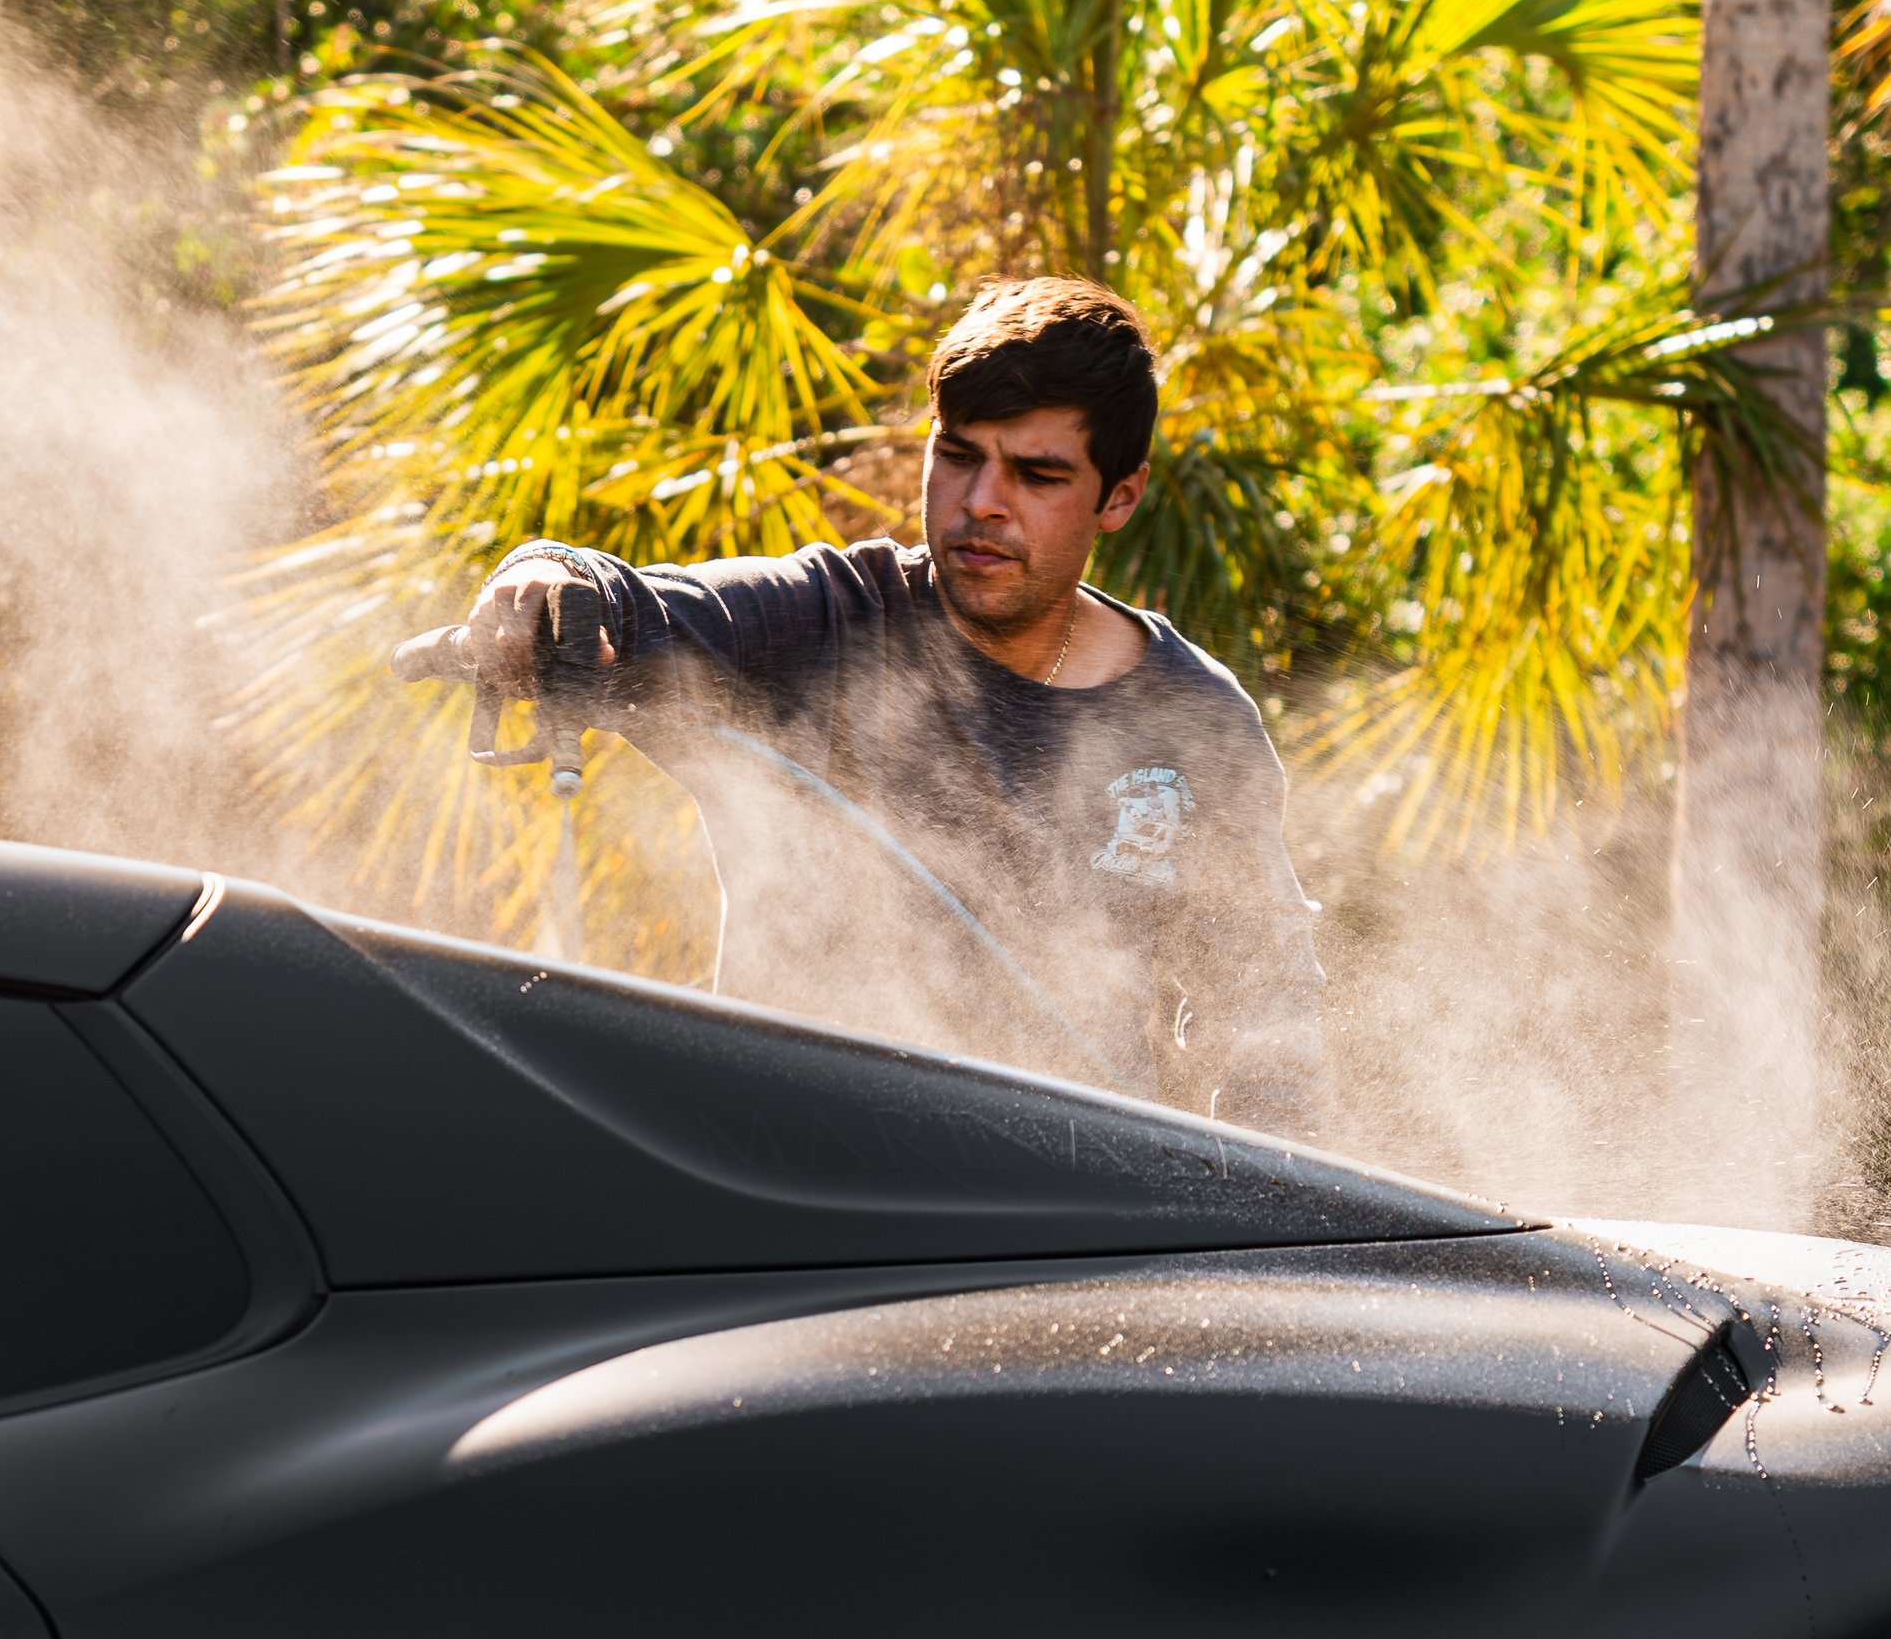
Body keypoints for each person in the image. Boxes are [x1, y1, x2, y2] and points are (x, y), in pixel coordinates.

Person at [465, 276, 1327, 1135]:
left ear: (1120, 496)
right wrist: (542, 582)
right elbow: (627, 598)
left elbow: (1267, 1018)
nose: (982, 502)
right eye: (957, 455)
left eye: (1037, 474)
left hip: (1068, 1202)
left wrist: (1265, 1189)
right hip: (787, 1178)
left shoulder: (1196, 720)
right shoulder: (823, 621)